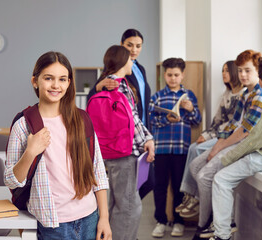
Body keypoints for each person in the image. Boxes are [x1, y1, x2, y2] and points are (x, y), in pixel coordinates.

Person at [4, 51, 112, 240]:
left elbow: (98, 172)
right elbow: (11, 181)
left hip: (90, 218)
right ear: (35, 81)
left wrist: (104, 217)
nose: (56, 85)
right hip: (53, 224)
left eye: (62, 79)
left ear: (69, 83)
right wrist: (30, 152)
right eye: (48, 78)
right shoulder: (24, 125)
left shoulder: (82, 119)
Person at [189, 50, 262, 240]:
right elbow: (232, 125)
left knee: (207, 175)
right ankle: (216, 217)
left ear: (258, 71)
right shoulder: (244, 94)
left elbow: (244, 132)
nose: (243, 75)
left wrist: (219, 147)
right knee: (195, 166)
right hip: (233, 141)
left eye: (247, 70)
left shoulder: (259, 96)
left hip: (245, 145)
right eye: (240, 71)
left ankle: (206, 224)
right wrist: (218, 142)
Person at [91, 45, 155, 240]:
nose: (132, 62)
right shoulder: (120, 85)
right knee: (129, 206)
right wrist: (148, 138)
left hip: (109, 149)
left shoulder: (104, 84)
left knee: (116, 202)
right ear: (121, 62)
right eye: (129, 59)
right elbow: (133, 118)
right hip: (125, 152)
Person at [87, 29, 153, 199]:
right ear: (122, 46)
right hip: (128, 137)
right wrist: (99, 86)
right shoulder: (115, 75)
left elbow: (141, 103)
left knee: (139, 186)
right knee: (127, 197)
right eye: (129, 45)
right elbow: (96, 99)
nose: (134, 50)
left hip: (142, 128)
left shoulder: (140, 69)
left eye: (138, 46)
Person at [208, 56, 262, 240]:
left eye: (248, 70)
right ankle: (223, 229)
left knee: (220, 179)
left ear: (261, 76)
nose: (243, 75)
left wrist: (228, 157)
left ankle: (222, 234)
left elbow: (252, 139)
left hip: (261, 156)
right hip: (259, 152)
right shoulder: (248, 95)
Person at [176, 61, 244, 219]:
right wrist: (206, 135)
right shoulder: (225, 95)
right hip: (219, 133)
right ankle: (189, 194)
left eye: (227, 70)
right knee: (194, 147)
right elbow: (217, 121)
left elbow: (233, 125)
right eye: (222, 70)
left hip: (229, 137)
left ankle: (196, 197)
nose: (223, 74)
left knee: (198, 150)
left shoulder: (242, 95)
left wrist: (211, 136)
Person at [149, 58, 202, 238]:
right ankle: (161, 221)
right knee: (160, 186)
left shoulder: (189, 96)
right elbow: (150, 122)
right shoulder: (157, 97)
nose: (173, 78)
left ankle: (179, 222)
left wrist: (191, 110)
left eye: (176, 75)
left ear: (182, 75)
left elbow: (197, 121)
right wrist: (166, 119)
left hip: (181, 149)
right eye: (169, 75)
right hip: (161, 149)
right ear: (164, 75)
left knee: (180, 186)